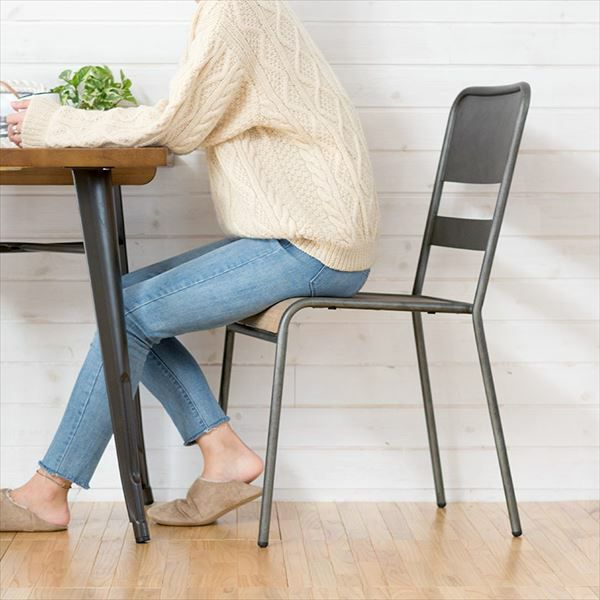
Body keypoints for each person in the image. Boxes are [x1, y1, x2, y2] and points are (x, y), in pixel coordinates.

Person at [1, 0, 379, 531]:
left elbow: (177, 125)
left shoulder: (236, 9)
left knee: (123, 312)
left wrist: (54, 122)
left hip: (312, 246)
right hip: (308, 237)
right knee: (122, 302)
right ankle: (223, 454)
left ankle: (47, 491)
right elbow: (189, 115)